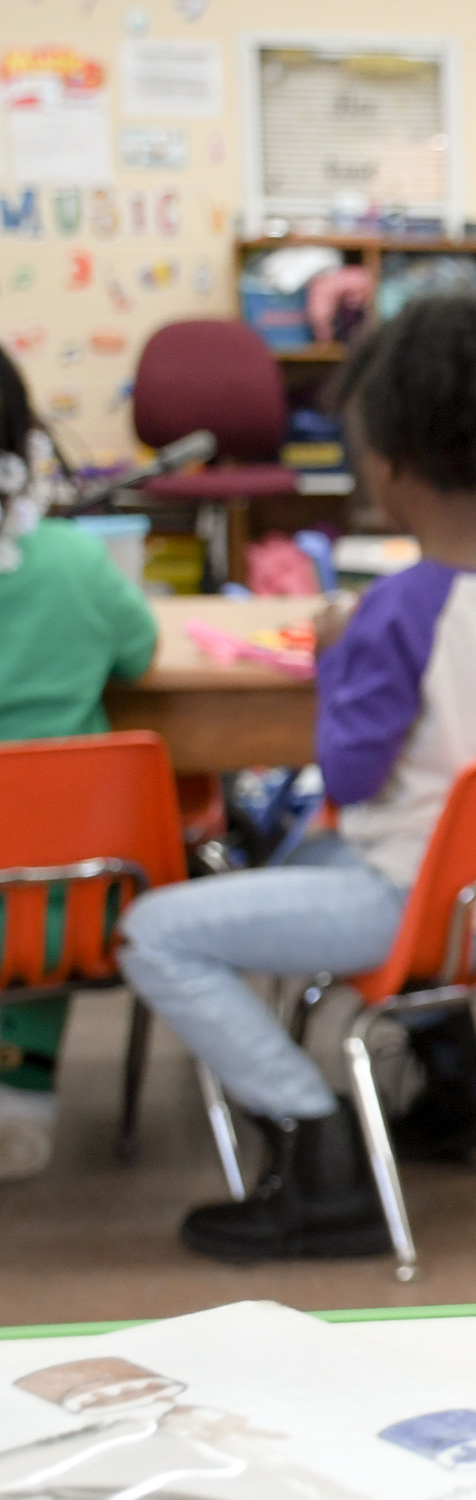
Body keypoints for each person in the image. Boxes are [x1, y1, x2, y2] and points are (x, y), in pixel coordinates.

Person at [117, 295, 476, 1261]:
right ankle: (458, 1078)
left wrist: (339, 661)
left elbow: (353, 776)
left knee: (154, 932)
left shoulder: (395, 612)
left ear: (386, 464)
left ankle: (319, 1154)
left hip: (413, 903)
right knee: (319, 844)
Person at [0, 347, 160, 1181]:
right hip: (65, 908)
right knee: (41, 866)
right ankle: (22, 1086)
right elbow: (142, 653)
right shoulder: (74, 566)